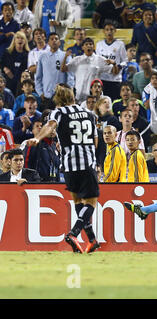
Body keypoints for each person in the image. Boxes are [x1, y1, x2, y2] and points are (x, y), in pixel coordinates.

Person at [26, 84, 101, 254]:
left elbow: (50, 126)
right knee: (91, 202)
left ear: (58, 100)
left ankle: (92, 240)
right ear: (73, 97)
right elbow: (95, 142)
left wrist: (37, 138)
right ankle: (73, 234)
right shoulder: (90, 114)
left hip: (68, 164)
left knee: (77, 201)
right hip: (87, 162)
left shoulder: (58, 112)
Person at [61, 37, 119, 103]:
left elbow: (115, 72)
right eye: (86, 44)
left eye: (91, 44)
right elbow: (63, 69)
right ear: (82, 47)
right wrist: (65, 57)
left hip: (94, 99)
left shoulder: (100, 59)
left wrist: (114, 64)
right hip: (79, 97)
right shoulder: (77, 60)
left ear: (93, 47)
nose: (89, 46)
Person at [35, 32, 75, 111]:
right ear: (48, 42)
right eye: (52, 39)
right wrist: (40, 92)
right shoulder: (42, 57)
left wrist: (69, 91)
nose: (54, 41)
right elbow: (38, 77)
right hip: (47, 96)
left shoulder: (66, 56)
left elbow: (70, 76)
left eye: (56, 39)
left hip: (62, 96)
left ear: (59, 42)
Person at [95, 23, 127, 101]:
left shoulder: (120, 44)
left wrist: (119, 66)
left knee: (114, 102)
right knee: (102, 102)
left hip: (115, 79)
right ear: (104, 31)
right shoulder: (99, 44)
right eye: (107, 30)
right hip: (102, 78)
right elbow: (97, 61)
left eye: (111, 30)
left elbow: (125, 61)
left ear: (115, 31)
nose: (109, 32)